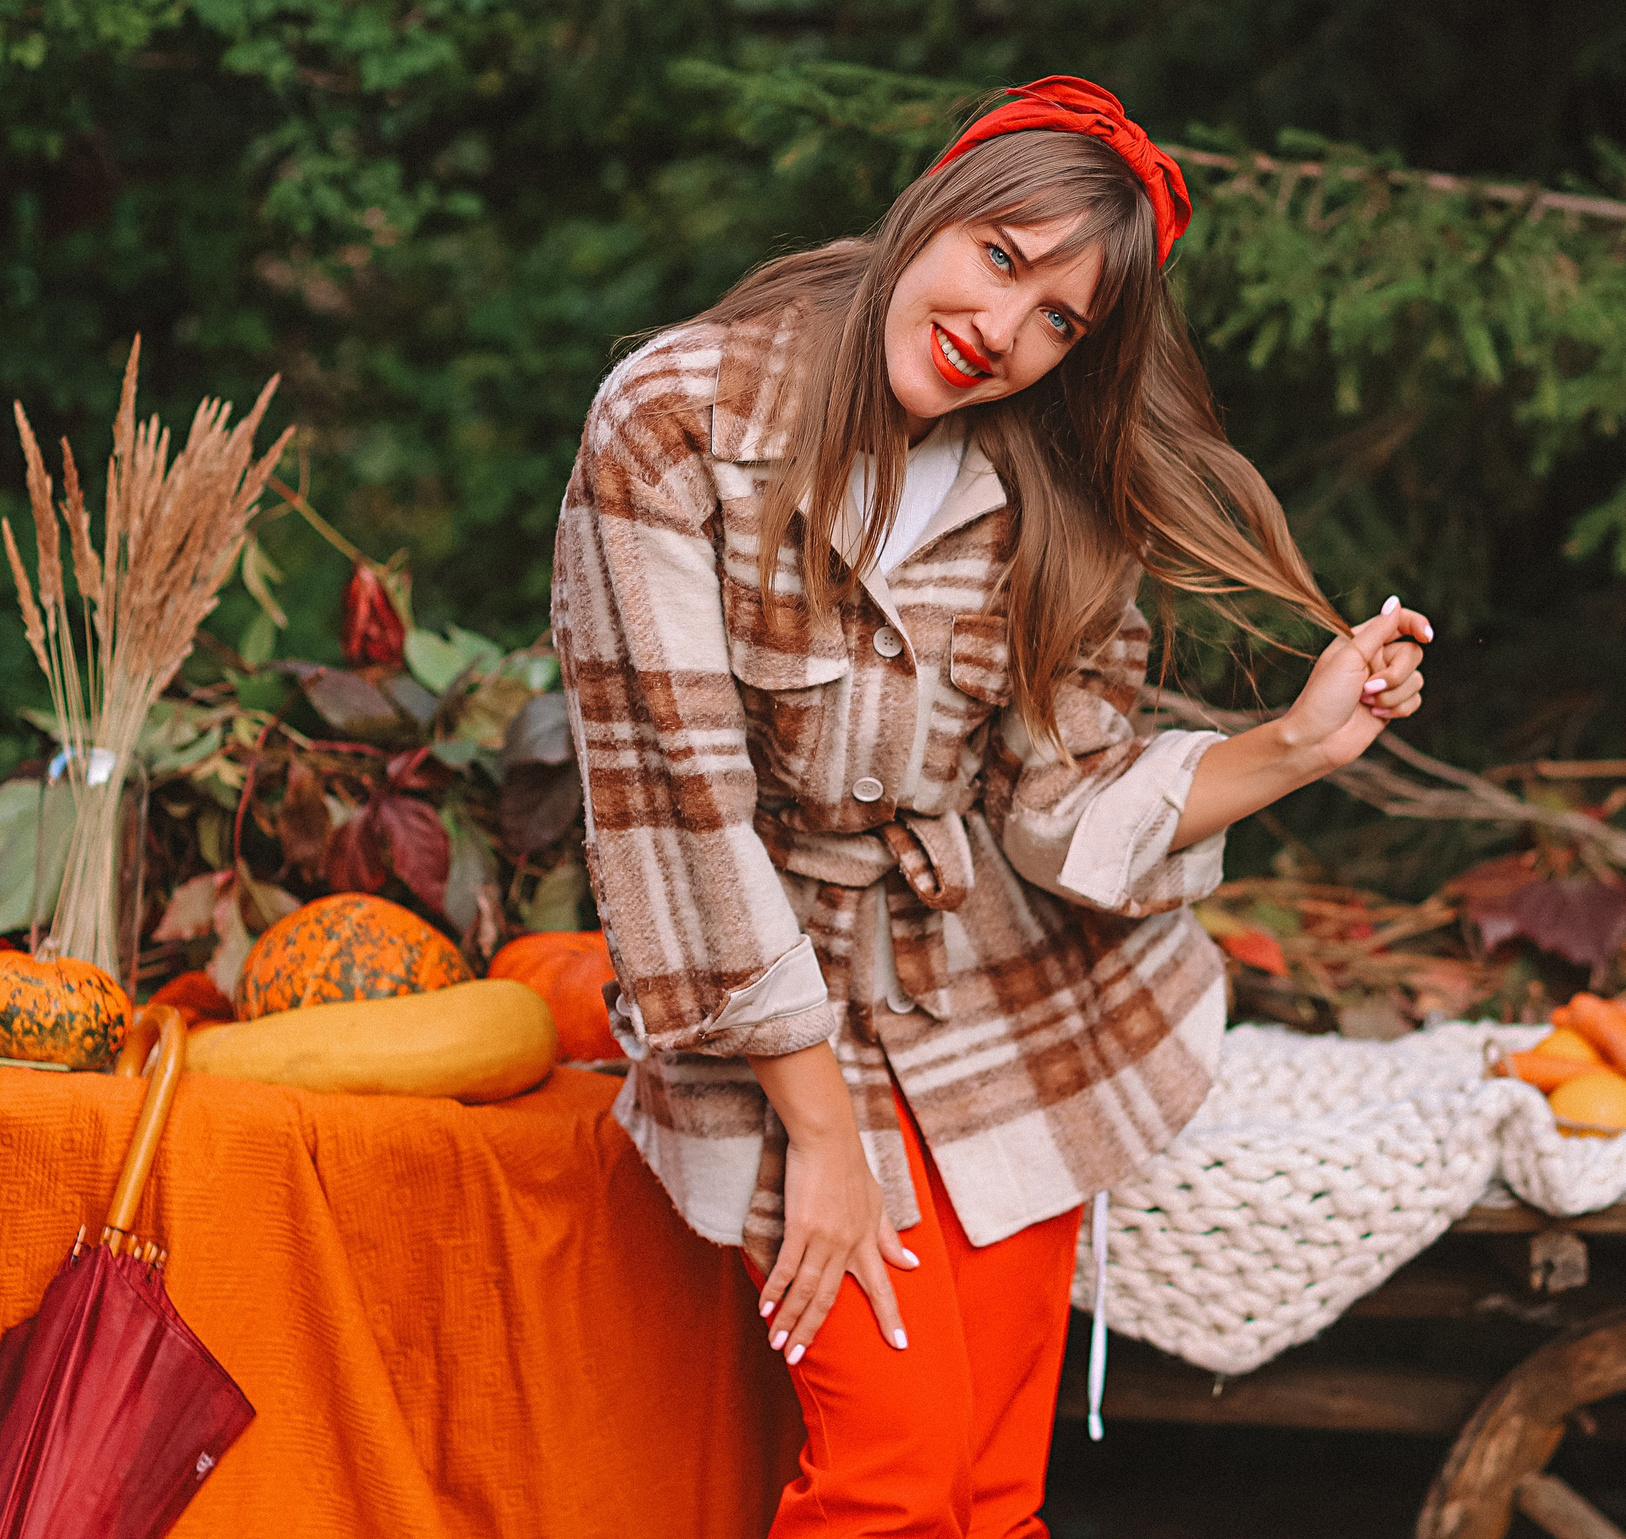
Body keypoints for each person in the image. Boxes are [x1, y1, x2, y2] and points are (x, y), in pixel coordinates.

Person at [551, 76, 1431, 1539]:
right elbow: (677, 810)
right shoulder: (680, 422)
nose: (1002, 330)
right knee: (892, 1483)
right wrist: (821, 1138)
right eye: (1000, 258)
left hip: (1003, 1011)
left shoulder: (1044, 489)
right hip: (772, 1016)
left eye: (1058, 322)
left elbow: (1058, 803)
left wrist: (1294, 742)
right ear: (931, 210)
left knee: (989, 1496)